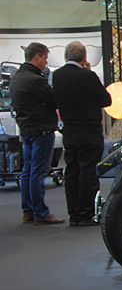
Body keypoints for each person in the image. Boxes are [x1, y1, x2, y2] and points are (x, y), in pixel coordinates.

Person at [52, 41, 111, 226]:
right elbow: (106, 100)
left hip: (69, 129)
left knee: (72, 171)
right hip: (89, 129)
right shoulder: (88, 76)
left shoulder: (57, 75)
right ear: (84, 57)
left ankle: (74, 214)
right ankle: (87, 213)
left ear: (65, 56)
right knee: (88, 171)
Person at [10, 42, 63, 224]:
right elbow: (54, 100)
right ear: (37, 57)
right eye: (45, 58)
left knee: (28, 171)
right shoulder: (36, 80)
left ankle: (28, 211)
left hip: (26, 129)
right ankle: (40, 212)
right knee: (38, 173)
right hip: (41, 129)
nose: (46, 62)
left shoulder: (17, 77)